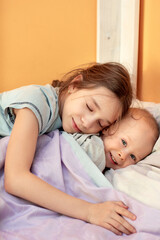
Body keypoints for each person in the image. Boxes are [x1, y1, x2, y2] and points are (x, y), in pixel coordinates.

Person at [1, 62, 135, 236]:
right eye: (89, 107)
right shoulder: (37, 102)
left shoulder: (70, 120)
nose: (87, 122)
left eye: (100, 123)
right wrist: (89, 211)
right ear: (75, 84)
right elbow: (15, 179)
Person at [72, 107, 159, 172]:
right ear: (108, 128)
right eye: (124, 142)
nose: (123, 156)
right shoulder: (89, 145)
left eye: (133, 157)